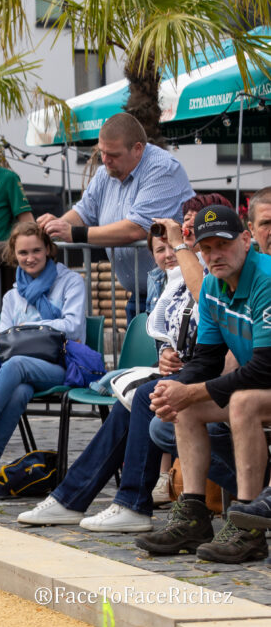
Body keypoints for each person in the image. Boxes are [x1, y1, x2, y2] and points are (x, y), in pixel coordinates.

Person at [19, 214, 211, 532]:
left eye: (187, 236)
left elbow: (207, 306)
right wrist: (165, 352)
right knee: (133, 400)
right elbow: (177, 327)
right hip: (191, 367)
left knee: (147, 395)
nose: (174, 249)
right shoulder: (178, 276)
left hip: (215, 373)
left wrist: (182, 246)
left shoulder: (204, 270)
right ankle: (73, 498)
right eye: (164, 246)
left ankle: (129, 503)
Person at [135, 205, 271, 561]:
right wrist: (174, 389)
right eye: (206, 248)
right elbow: (208, 359)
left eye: (222, 245)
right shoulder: (211, 285)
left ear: (246, 239)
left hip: (266, 378)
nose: (214, 255)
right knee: (186, 407)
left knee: (241, 402)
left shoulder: (266, 279)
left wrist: (189, 389)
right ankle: (194, 515)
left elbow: (264, 368)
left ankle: (248, 527)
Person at [0, 223, 86, 491]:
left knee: (16, 364)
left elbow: (74, 327)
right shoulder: (12, 295)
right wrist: (41, 329)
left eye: (36, 251)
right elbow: (2, 336)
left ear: (49, 250)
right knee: (18, 391)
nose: (30, 258)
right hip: (20, 372)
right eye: (23, 252)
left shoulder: (70, 282)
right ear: (14, 254)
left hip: (62, 366)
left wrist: (29, 330)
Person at [37, 113, 194, 318]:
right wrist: (53, 226)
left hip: (175, 292)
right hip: (139, 293)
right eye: (102, 152)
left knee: (169, 351)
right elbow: (83, 212)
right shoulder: (105, 174)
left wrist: (75, 234)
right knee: (140, 351)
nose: (105, 160)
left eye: (114, 154)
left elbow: (135, 229)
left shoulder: (163, 169)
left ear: (137, 149)